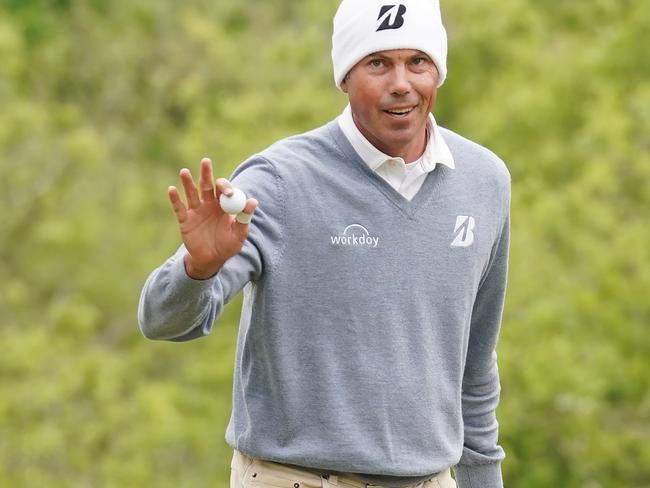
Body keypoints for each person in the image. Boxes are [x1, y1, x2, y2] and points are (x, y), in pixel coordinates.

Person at [138, 0, 510, 487]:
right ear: (344, 78)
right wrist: (197, 267)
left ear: (437, 72)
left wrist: (484, 479)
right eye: (378, 63)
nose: (401, 82)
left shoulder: (485, 182)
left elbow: (475, 365)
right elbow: (162, 322)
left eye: (417, 61)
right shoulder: (280, 180)